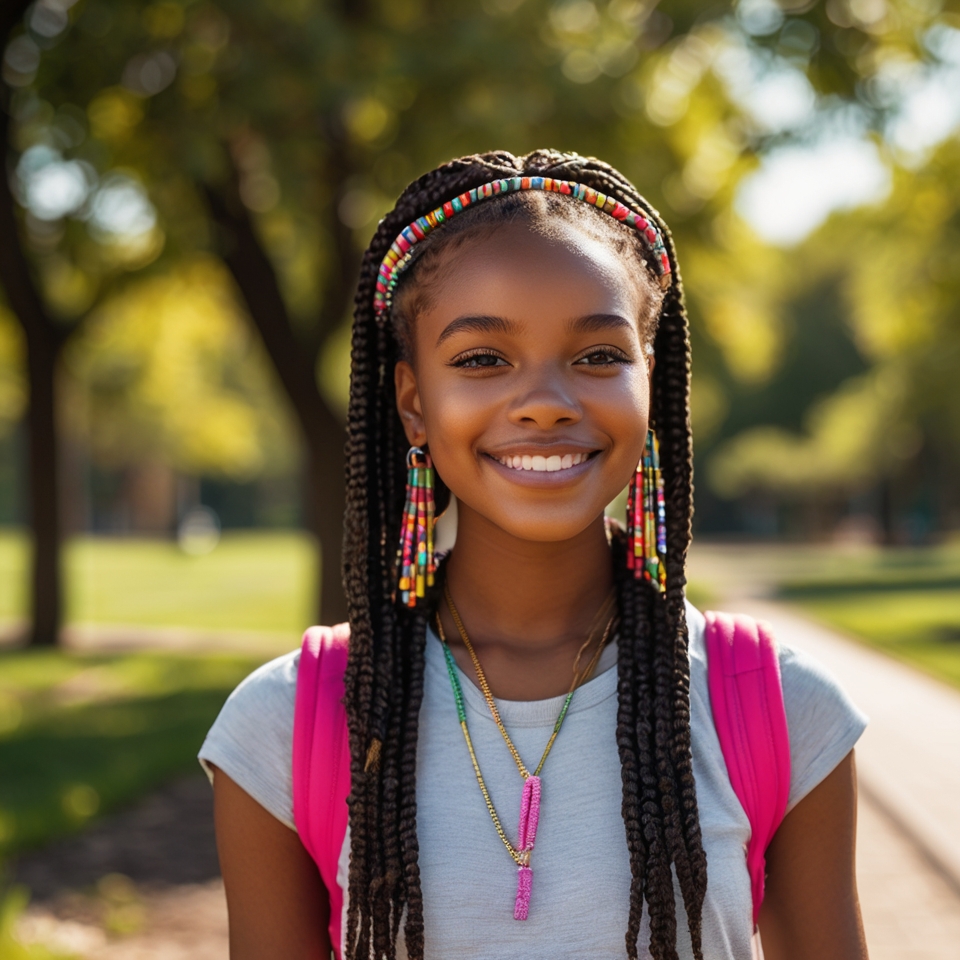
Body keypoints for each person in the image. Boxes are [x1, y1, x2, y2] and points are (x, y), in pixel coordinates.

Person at [199, 150, 869, 960]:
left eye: (598, 357)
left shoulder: (780, 708)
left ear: (649, 382)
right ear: (414, 403)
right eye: (482, 359)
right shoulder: (287, 723)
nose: (548, 404)